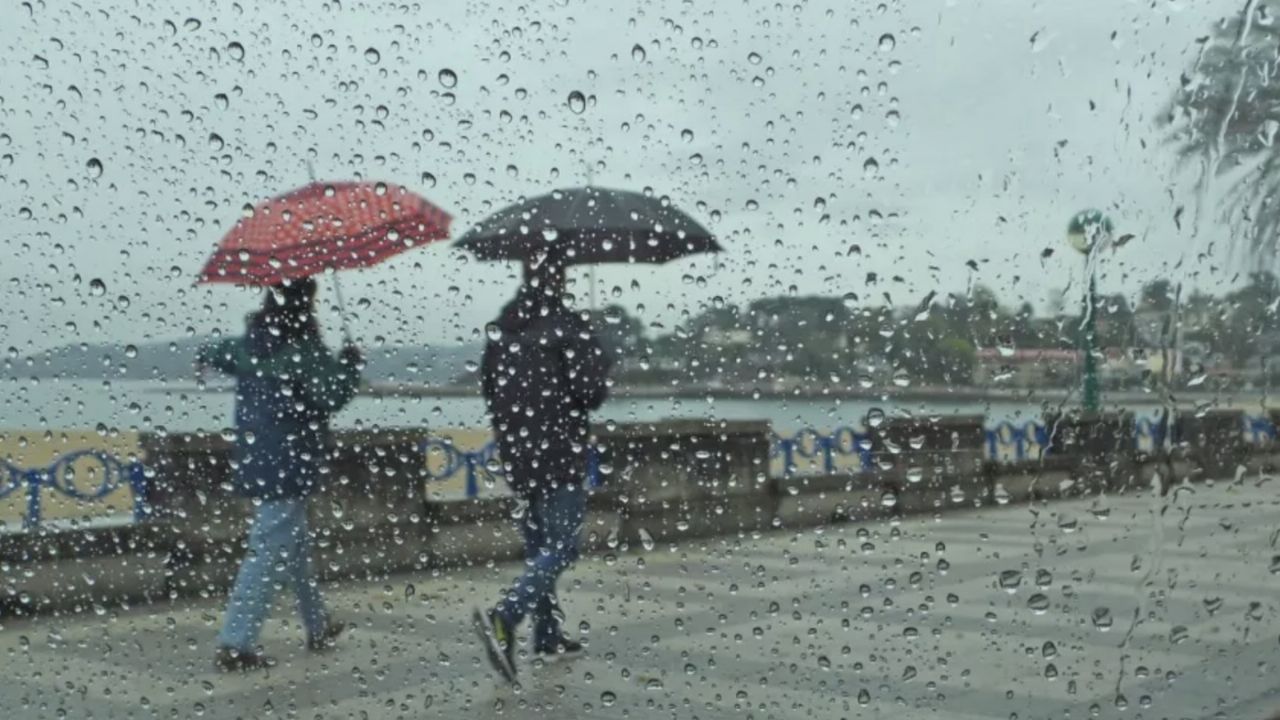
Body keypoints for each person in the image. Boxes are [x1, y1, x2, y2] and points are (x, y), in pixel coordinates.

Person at [197, 276, 362, 672]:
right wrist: (351, 364)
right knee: (269, 547)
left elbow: (215, 351)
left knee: (294, 545)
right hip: (292, 462)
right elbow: (332, 395)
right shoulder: (304, 351)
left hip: (255, 456)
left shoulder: (250, 343)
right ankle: (236, 642)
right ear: (306, 304)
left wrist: (206, 357)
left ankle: (318, 624)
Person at [472, 256, 613, 683]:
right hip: (560, 453)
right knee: (564, 546)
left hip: (517, 453)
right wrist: (598, 355)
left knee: (539, 550)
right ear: (561, 279)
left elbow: (489, 389)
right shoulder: (568, 327)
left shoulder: (502, 327)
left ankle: (548, 637)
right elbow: (590, 394)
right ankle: (505, 617)